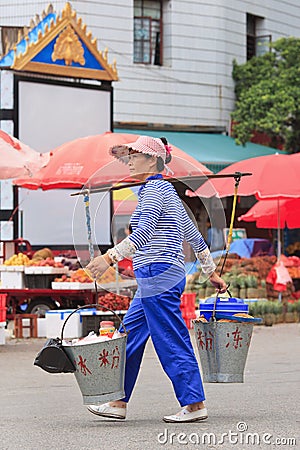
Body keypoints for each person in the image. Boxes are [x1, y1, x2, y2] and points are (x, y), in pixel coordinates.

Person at [86, 135, 227, 423]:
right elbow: (194, 235)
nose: (129, 162)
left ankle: (194, 404)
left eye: (135, 156)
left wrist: (108, 258)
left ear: (153, 160)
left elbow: (144, 233)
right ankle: (117, 401)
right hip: (159, 276)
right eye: (128, 157)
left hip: (157, 274)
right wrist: (210, 271)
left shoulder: (153, 191)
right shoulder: (167, 191)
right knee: (130, 337)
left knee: (170, 339)